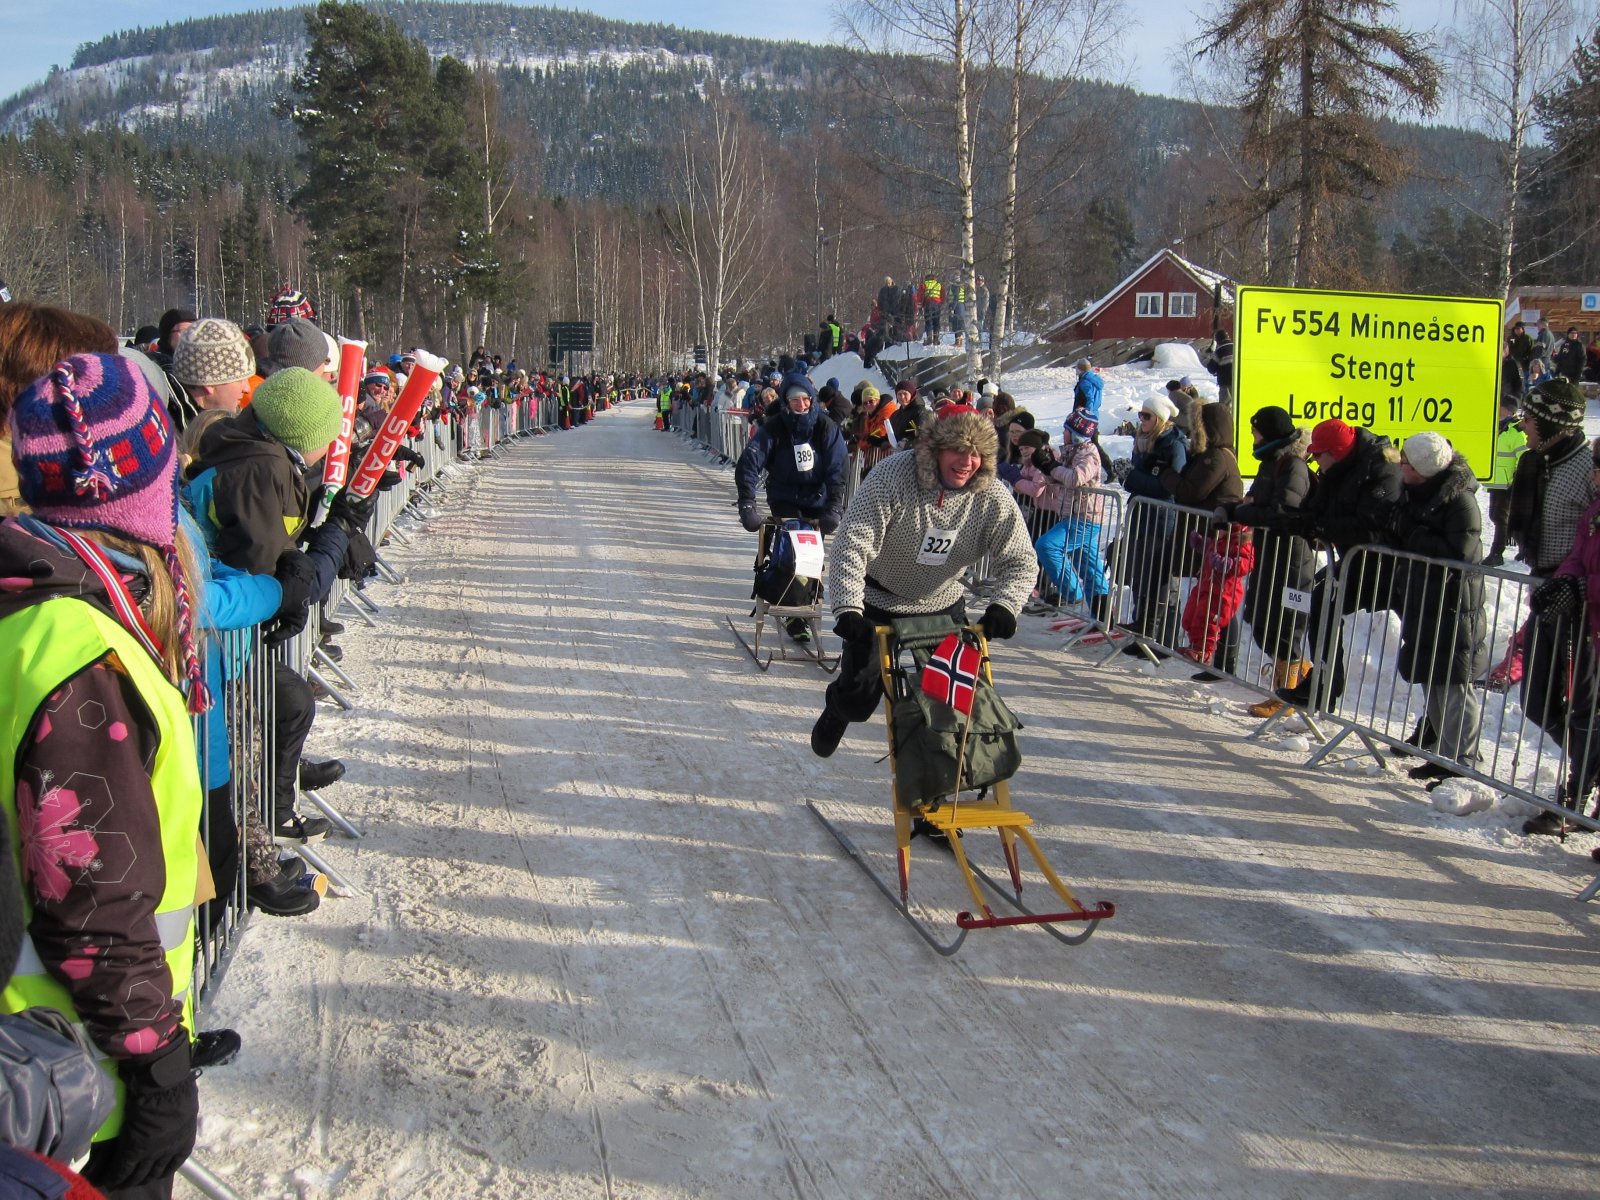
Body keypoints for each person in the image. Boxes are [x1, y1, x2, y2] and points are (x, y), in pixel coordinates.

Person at [1, 352, 210, 1198]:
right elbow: (91, 901)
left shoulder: (40, 607)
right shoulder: (80, 649)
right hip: (77, 1074)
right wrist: (159, 1073)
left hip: (54, 1068)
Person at [810, 406, 1036, 758]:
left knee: (953, 702)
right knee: (860, 696)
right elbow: (851, 545)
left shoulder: (991, 496)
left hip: (941, 603)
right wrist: (847, 608)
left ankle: (939, 779)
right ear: (933, 449)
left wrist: (1005, 605)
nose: (967, 462)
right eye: (957, 450)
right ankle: (839, 710)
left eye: (975, 453)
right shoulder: (893, 477)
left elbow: (1021, 559)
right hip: (878, 601)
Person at [1506, 379, 1596, 827]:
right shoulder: (1535, 462)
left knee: (1584, 704)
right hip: (1548, 588)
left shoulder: (1586, 466)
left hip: (1581, 597)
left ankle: (1579, 788)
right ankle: (1590, 768)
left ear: (1555, 423)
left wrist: (1574, 585)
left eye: (1530, 418)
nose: (1523, 425)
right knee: (1538, 702)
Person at [1379, 431, 1488, 785]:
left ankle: (1464, 759)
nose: (1401, 466)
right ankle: (1444, 751)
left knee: (1454, 681)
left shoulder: (1460, 501)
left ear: (1424, 468)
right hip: (1425, 598)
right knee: (1432, 674)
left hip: (1455, 605)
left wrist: (1412, 534)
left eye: (1406, 462)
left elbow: (1460, 553)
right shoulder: (1416, 494)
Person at [1275, 418, 1404, 707]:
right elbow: (1317, 509)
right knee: (1322, 603)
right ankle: (1324, 683)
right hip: (1356, 561)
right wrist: (1295, 521)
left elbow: (1371, 525)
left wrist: (1324, 529)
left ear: (1336, 451)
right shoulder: (1337, 469)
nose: (1315, 460)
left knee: (1424, 644)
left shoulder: (1381, 468)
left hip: (1393, 568)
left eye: (1319, 454)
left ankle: (1439, 728)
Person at [1223, 405, 1314, 718]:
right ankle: (1300, 675)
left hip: (1291, 558)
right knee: (1261, 624)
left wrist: (1241, 513)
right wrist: (1240, 510)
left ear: (1270, 432)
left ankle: (1286, 693)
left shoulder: (1293, 467)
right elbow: (1253, 501)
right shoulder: (1269, 463)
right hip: (1269, 554)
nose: (1252, 435)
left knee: (1285, 627)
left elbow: (1281, 512)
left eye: (1255, 430)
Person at [1023, 410, 1111, 618]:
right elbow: (1059, 480)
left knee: (1047, 545)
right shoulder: (1072, 452)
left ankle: (1072, 593)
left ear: (1077, 433)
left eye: (1067, 430)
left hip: (1085, 517)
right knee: (1090, 568)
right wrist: (1045, 466)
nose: (1063, 433)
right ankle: (1103, 618)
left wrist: (1053, 467)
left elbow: (1075, 479)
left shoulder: (1089, 454)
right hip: (1071, 514)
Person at [1118, 392, 1188, 648]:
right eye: (1140, 415)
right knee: (1141, 576)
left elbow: (1168, 485)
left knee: (1160, 581)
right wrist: (1126, 475)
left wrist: (1132, 477)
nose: (1141, 420)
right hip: (1142, 516)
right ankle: (1142, 634)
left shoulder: (1174, 444)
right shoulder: (1143, 441)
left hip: (1162, 519)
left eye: (1146, 416)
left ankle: (1164, 640)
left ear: (1159, 419)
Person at [170, 318, 256, 422]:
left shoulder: (186, 423)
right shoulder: (176, 432)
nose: (247, 389)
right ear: (208, 383)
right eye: (240, 379)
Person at [1485, 393, 1528, 567]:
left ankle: (1497, 553)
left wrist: (1516, 482)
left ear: (1506, 410)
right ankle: (1523, 547)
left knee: (1500, 517)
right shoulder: (1498, 428)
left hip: (1508, 483)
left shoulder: (1516, 432)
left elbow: (1523, 460)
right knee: (1498, 517)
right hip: (1496, 481)